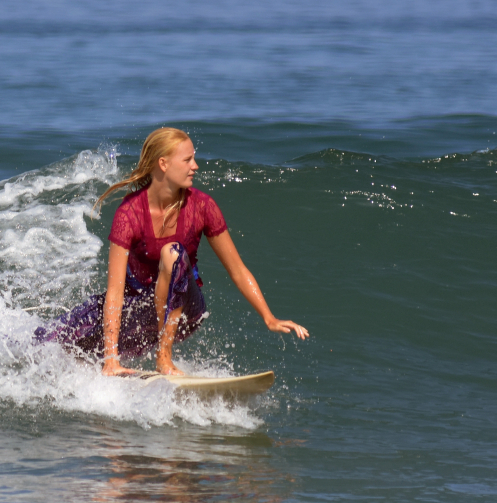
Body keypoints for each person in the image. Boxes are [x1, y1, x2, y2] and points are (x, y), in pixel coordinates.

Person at [34, 127, 309, 376]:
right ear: (163, 164)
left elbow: (237, 270)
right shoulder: (128, 214)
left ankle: (163, 359)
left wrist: (269, 317)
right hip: (138, 310)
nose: (195, 166)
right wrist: (110, 357)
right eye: (187, 160)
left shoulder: (202, 207)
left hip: (185, 308)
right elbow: (116, 292)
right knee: (48, 343)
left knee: (174, 254)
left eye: (193, 158)